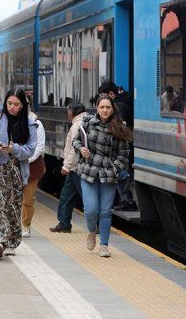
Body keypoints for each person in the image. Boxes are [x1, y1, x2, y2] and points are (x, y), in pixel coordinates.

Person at [0, 88, 37, 259]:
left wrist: (15, 149)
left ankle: (11, 242)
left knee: (13, 205)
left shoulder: (30, 123)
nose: (12, 107)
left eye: (16, 104)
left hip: (17, 169)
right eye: (9, 103)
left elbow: (31, 149)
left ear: (22, 105)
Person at [73, 95, 132, 258]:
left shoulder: (119, 127)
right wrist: (81, 149)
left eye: (108, 107)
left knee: (105, 211)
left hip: (108, 174)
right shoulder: (87, 122)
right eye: (102, 107)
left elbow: (124, 152)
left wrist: (115, 168)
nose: (105, 110)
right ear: (97, 109)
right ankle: (92, 231)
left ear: (112, 109)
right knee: (91, 209)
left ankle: (104, 245)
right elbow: (76, 140)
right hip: (88, 171)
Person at [49, 102, 86, 233]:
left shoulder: (77, 124)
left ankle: (96, 224)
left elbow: (74, 150)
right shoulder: (81, 121)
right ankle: (64, 223)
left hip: (76, 167)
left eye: (68, 111)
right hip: (75, 168)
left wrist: (66, 166)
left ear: (71, 112)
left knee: (85, 197)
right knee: (67, 195)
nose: (67, 114)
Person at [99, 81, 136, 211]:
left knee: (121, 173)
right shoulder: (123, 102)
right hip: (126, 145)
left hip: (122, 147)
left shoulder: (119, 106)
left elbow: (121, 128)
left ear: (111, 94)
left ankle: (127, 200)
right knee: (122, 172)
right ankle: (126, 200)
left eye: (105, 96)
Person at [22, 107, 46, 238]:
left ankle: (25, 225)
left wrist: (26, 159)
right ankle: (13, 225)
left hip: (32, 166)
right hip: (13, 165)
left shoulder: (37, 123)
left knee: (28, 199)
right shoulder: (8, 121)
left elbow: (40, 146)